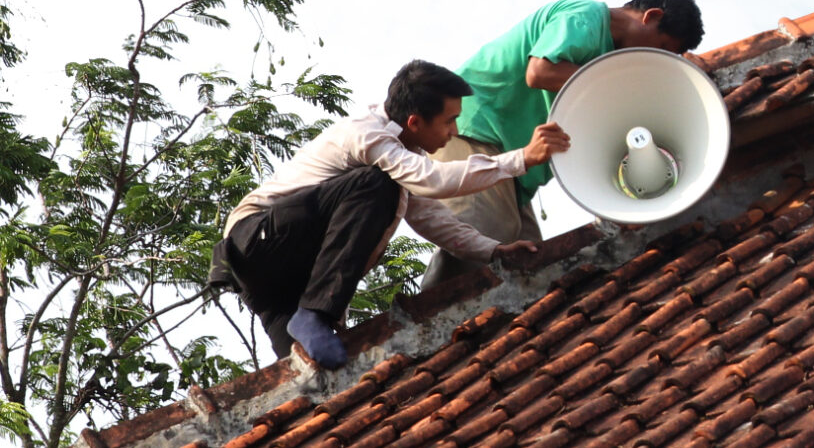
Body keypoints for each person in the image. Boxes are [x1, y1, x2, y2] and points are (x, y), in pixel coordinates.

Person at [209, 60, 569, 368]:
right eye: (448, 121)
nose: (454, 132)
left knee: (315, 375)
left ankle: (311, 324)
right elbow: (434, 180)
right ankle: (316, 314)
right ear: (414, 122)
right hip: (256, 242)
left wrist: (493, 251)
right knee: (375, 183)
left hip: (279, 283)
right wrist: (521, 158)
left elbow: (433, 219)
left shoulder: (400, 162)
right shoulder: (368, 137)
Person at [424, 0, 705, 287]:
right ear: (652, 17)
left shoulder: (606, 58)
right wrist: (619, 85)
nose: (652, 58)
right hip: (473, 134)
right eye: (660, 47)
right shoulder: (585, 17)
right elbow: (540, 71)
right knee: (481, 242)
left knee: (526, 272)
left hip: (512, 164)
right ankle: (425, 325)